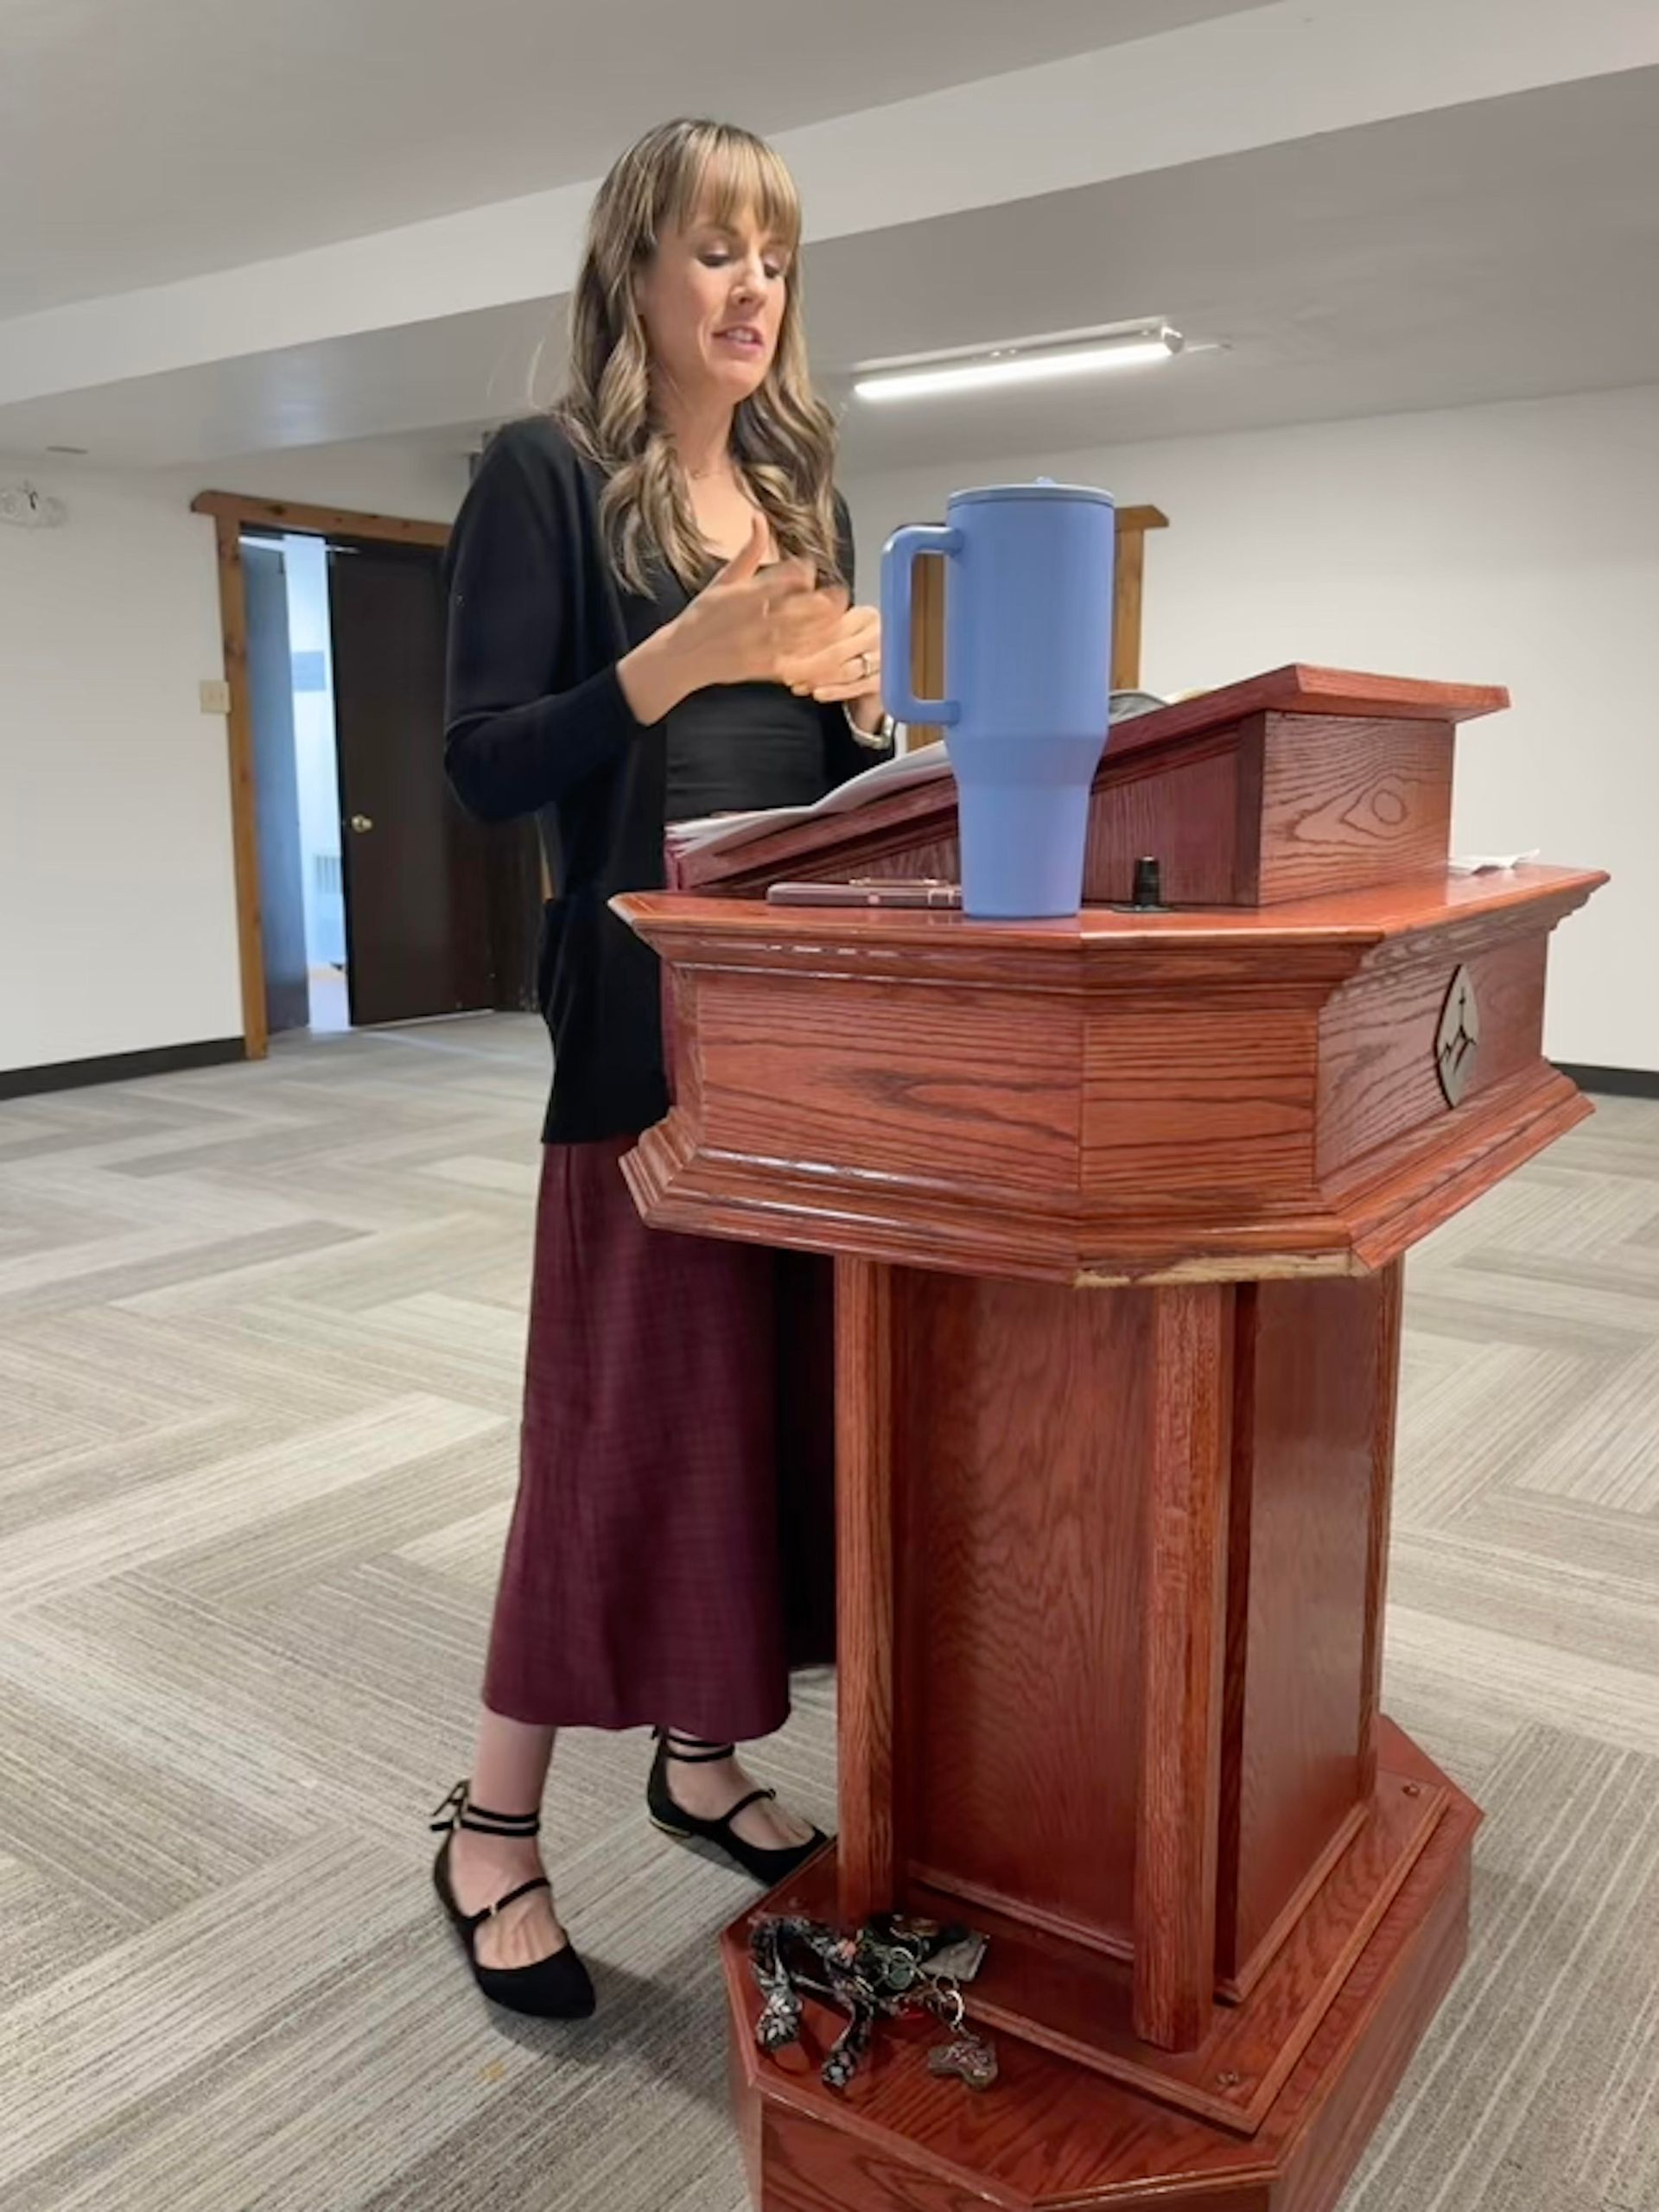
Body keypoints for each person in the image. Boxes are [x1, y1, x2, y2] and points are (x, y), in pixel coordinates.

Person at [430, 118, 892, 2019]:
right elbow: (484, 760)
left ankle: (700, 1757)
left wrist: (866, 717)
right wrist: (684, 653)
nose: (752, 289)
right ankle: (486, 1822)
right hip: (639, 1032)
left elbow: (810, 799)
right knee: (617, 1430)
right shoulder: (544, 480)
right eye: (715, 252)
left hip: (799, 1039)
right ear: (637, 272)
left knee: (764, 1418)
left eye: (773, 254)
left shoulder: (805, 499)